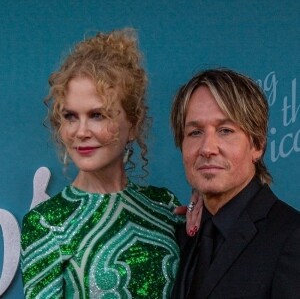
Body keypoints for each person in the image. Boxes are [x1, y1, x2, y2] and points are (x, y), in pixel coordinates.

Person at [20, 28, 184, 298]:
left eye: (98, 115)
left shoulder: (164, 205)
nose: (81, 131)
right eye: (71, 116)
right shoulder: (47, 224)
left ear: (133, 123)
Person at [170, 68, 300, 298]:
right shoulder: (179, 236)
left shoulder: (292, 238)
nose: (208, 148)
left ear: (257, 145)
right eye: (195, 132)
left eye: (225, 130)